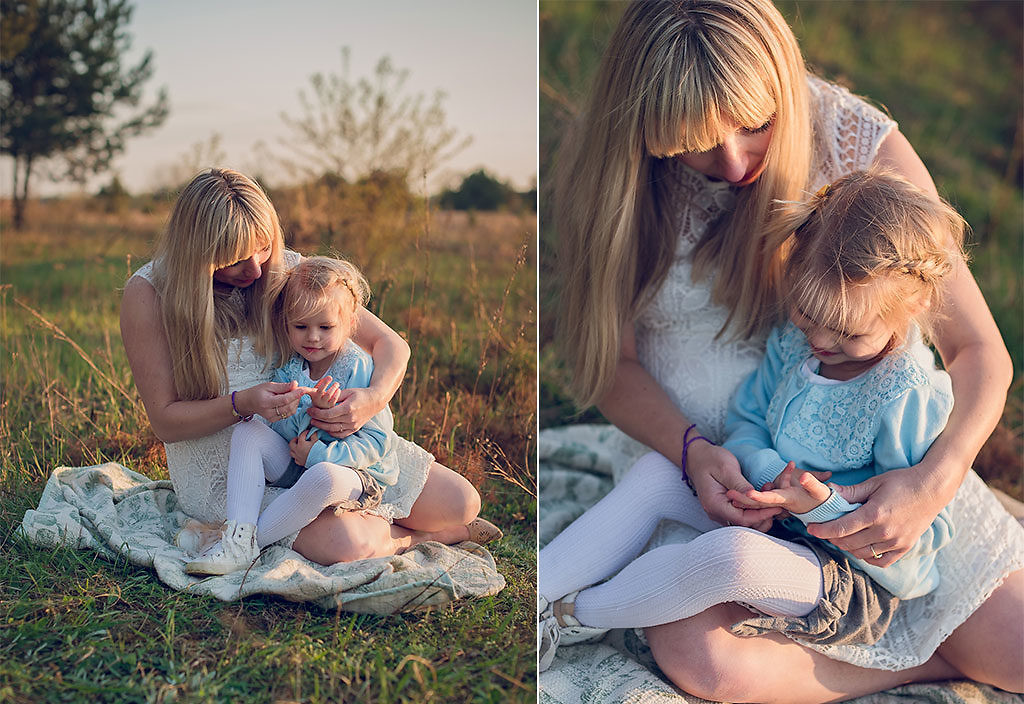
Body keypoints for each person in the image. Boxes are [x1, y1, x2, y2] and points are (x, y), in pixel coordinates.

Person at [539, 0, 1023, 700]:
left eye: (755, 125)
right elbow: (611, 366)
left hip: (873, 478)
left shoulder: (854, 143)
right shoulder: (614, 174)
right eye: (697, 144)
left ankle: (925, 656)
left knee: (1016, 648)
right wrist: (694, 452)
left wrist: (931, 485)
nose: (733, 160)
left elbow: (980, 350)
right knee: (705, 661)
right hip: (706, 469)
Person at [121, 168, 498, 570]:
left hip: (314, 441)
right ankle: (423, 538)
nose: (254, 269)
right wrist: (241, 403)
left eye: (262, 247)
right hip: (230, 462)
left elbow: (392, 345)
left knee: (462, 501)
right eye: (233, 259)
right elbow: (165, 422)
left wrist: (370, 401)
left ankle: (428, 526)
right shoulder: (149, 294)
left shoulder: (288, 271)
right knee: (347, 543)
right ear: (196, 252)